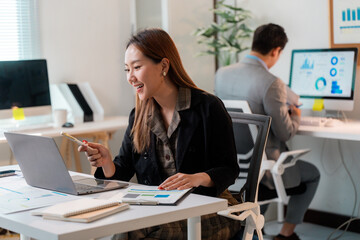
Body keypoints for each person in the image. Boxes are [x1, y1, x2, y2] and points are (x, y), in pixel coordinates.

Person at [79, 28, 242, 240]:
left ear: (164, 66)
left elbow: (229, 169)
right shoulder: (138, 116)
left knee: (131, 232)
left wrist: (196, 178)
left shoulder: (208, 107)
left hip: (209, 210)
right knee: (117, 226)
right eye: (127, 70)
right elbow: (123, 170)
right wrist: (106, 162)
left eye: (137, 67)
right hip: (160, 208)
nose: (131, 77)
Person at [215, 23, 320, 240]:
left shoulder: (221, 74)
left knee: (264, 173)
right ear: (276, 51)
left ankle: (252, 231)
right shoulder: (272, 83)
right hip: (261, 173)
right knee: (313, 174)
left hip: (232, 168)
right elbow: (285, 133)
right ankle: (285, 235)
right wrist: (296, 116)